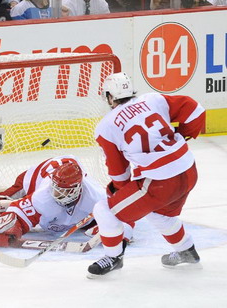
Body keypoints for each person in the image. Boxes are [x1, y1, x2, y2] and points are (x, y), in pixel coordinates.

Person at [87, 72, 205, 278]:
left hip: (160, 183)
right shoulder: (153, 99)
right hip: (188, 169)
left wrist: (119, 191)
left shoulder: (106, 126)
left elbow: (119, 170)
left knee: (104, 210)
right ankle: (186, 250)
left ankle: (114, 257)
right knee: (160, 213)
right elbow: (196, 111)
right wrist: (184, 135)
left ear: (109, 97)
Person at [0, 155, 134, 247]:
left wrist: (118, 232)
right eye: (56, 189)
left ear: (77, 189)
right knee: (2, 200)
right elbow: (19, 211)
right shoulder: (43, 195)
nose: (56, 194)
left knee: (100, 218)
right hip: (35, 177)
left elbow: (125, 214)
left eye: (64, 191)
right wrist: (12, 229)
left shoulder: (95, 197)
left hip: (69, 174)